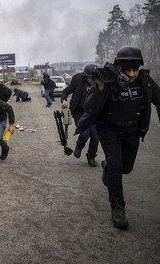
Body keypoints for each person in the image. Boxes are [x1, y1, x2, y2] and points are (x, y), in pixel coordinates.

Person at [75, 46, 160, 229]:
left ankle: (107, 169)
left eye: (135, 70)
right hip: (110, 131)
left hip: (132, 131)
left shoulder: (144, 80)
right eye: (127, 70)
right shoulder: (108, 80)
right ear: (119, 68)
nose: (131, 74)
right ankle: (118, 207)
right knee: (116, 167)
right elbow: (89, 107)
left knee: (126, 168)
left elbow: (158, 100)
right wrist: (99, 88)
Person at [61, 64, 99, 167]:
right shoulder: (78, 80)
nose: (92, 80)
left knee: (95, 136)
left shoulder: (100, 83)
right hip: (79, 111)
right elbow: (65, 91)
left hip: (93, 113)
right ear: (86, 76)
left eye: (94, 78)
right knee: (85, 133)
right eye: (90, 78)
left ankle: (91, 156)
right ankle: (79, 146)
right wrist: (64, 100)